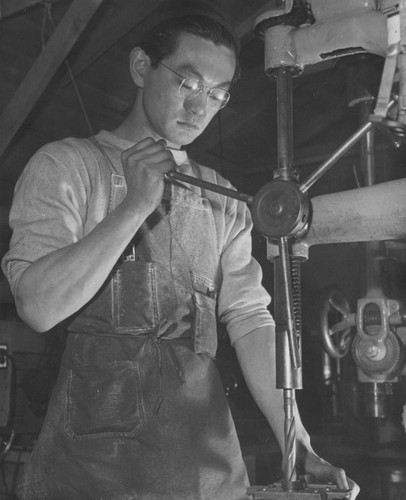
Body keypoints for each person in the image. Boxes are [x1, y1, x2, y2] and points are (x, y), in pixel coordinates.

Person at [2, 8, 360, 500]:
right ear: (140, 67)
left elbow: (252, 322)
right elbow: (37, 307)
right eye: (189, 84)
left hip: (201, 469)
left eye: (218, 94)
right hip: (89, 471)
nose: (201, 108)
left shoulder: (223, 199)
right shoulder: (68, 165)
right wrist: (133, 208)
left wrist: (297, 442)